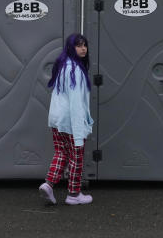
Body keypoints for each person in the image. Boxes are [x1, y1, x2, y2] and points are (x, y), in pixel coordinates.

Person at [38, 33, 94, 205]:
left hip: (57, 120)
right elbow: (76, 103)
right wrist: (79, 132)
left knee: (61, 153)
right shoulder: (75, 70)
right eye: (78, 45)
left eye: (84, 45)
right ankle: (74, 195)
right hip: (70, 121)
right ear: (71, 48)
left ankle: (48, 184)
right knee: (76, 157)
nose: (83, 49)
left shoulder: (63, 65)